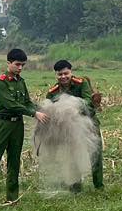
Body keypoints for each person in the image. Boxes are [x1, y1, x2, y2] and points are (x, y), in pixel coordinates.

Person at [0, 48, 49, 207]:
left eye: (23, 65)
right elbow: (11, 104)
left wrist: (42, 110)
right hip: (2, 124)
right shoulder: (0, 83)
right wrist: (34, 113)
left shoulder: (21, 82)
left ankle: (12, 197)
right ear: (8, 63)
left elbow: (27, 102)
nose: (20, 68)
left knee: (14, 161)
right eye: (17, 64)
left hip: (17, 125)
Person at [45, 59, 104, 190]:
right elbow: (48, 108)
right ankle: (76, 187)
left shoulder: (81, 83)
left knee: (95, 153)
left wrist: (72, 107)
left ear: (71, 72)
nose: (63, 77)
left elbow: (88, 101)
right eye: (60, 74)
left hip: (89, 124)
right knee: (72, 155)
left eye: (66, 73)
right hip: (69, 128)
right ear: (56, 75)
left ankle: (99, 185)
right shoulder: (53, 92)